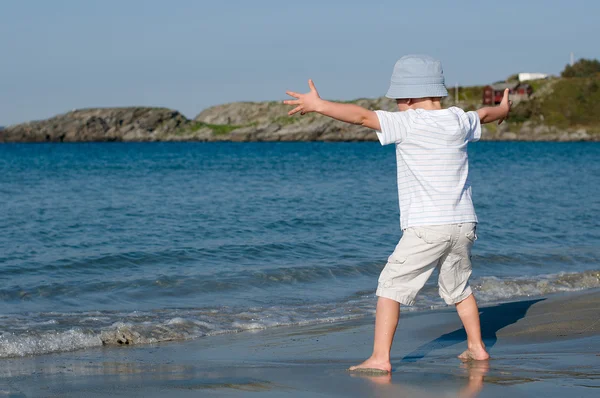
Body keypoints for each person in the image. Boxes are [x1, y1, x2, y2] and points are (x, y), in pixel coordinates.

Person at [284, 54, 511, 374]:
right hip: (464, 223)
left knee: (390, 287)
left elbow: (361, 117)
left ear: (406, 97)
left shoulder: (407, 121)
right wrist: (505, 108)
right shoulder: (459, 119)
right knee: (459, 287)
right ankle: (477, 347)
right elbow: (486, 113)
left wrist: (320, 105)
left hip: (427, 226)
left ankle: (380, 357)